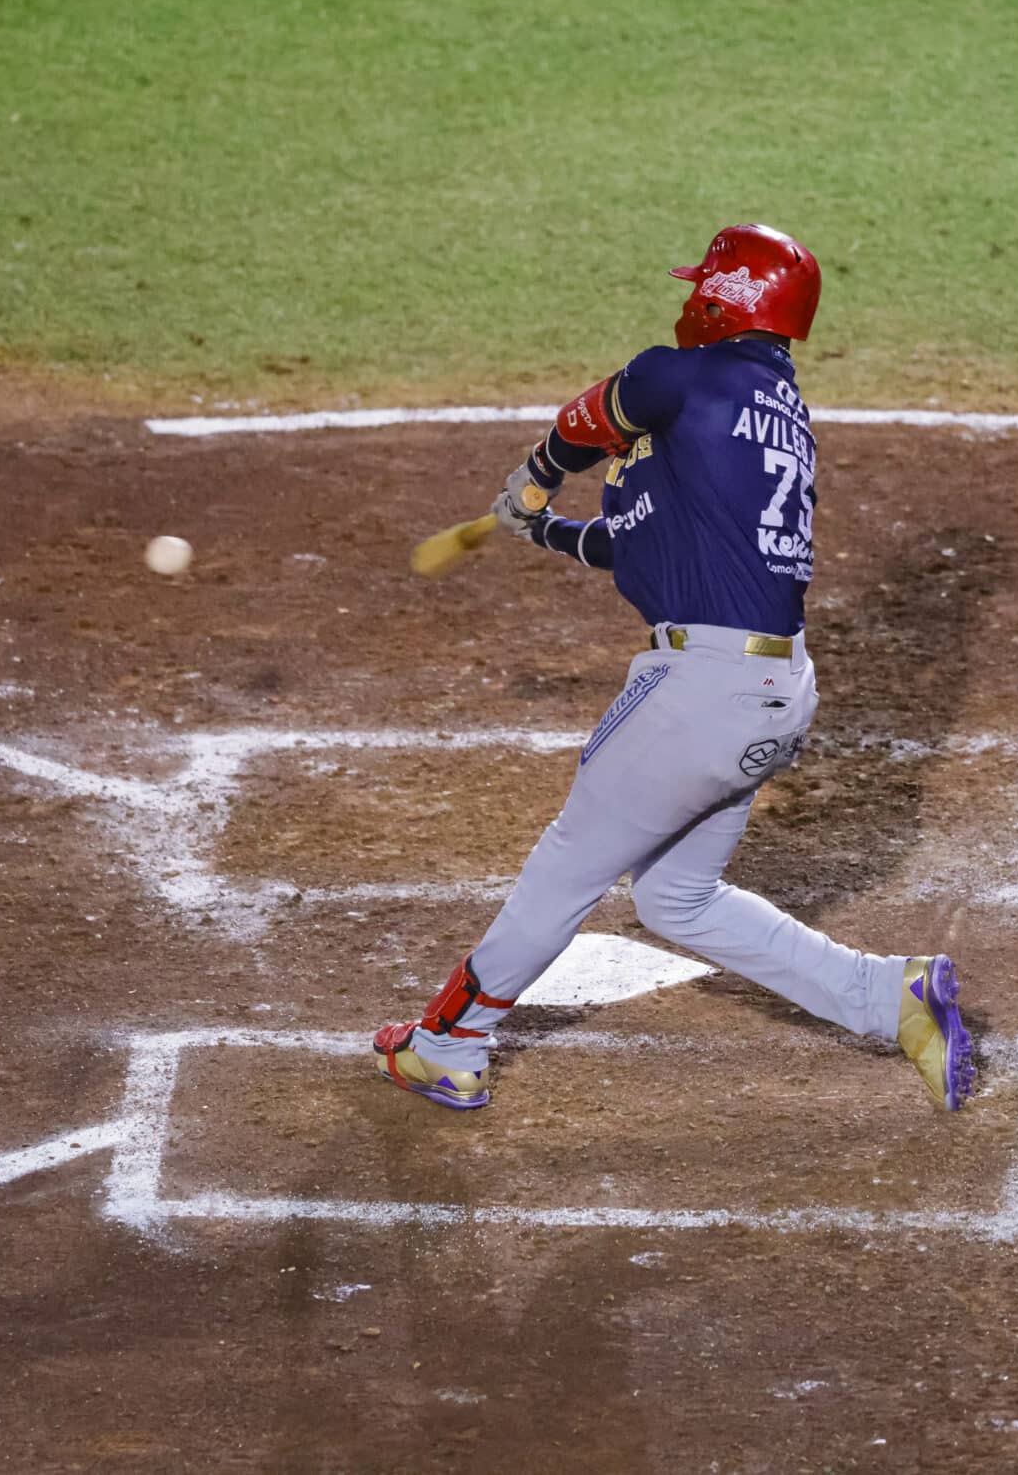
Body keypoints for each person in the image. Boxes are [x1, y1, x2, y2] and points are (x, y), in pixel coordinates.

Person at [372, 224, 975, 1112]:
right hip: (770, 692)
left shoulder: (679, 375)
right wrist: (547, 532)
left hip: (701, 691)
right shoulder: (771, 414)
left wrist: (538, 478)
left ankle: (446, 1041)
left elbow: (589, 418)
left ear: (722, 297)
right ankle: (888, 996)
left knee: (569, 862)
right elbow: (647, 546)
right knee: (678, 898)